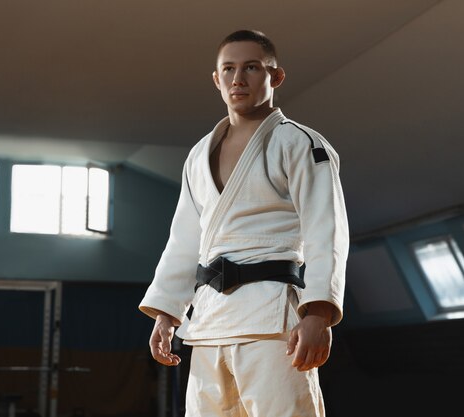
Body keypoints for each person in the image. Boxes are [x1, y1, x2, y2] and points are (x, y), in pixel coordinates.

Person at [138, 29, 349, 417]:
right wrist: (168, 313)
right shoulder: (199, 154)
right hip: (208, 322)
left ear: (275, 76)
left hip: (271, 322)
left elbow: (327, 230)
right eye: (229, 69)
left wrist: (318, 313)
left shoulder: (300, 143)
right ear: (217, 79)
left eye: (252, 67)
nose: (239, 79)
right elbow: (185, 240)